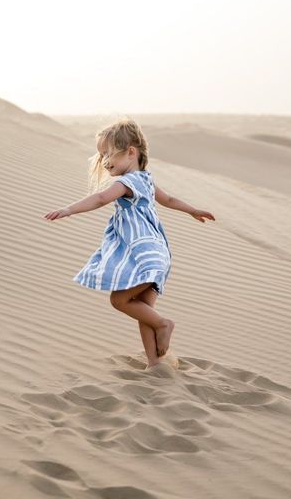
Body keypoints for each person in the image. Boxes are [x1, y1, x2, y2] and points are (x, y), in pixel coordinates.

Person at [43, 117, 215, 368]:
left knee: (119, 300)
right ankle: (156, 364)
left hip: (143, 251)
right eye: (101, 155)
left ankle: (163, 324)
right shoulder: (146, 179)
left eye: (108, 153)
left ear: (130, 152)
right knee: (143, 308)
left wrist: (70, 209)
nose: (104, 161)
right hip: (158, 251)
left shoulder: (126, 183)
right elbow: (170, 199)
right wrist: (192, 210)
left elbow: (101, 198)